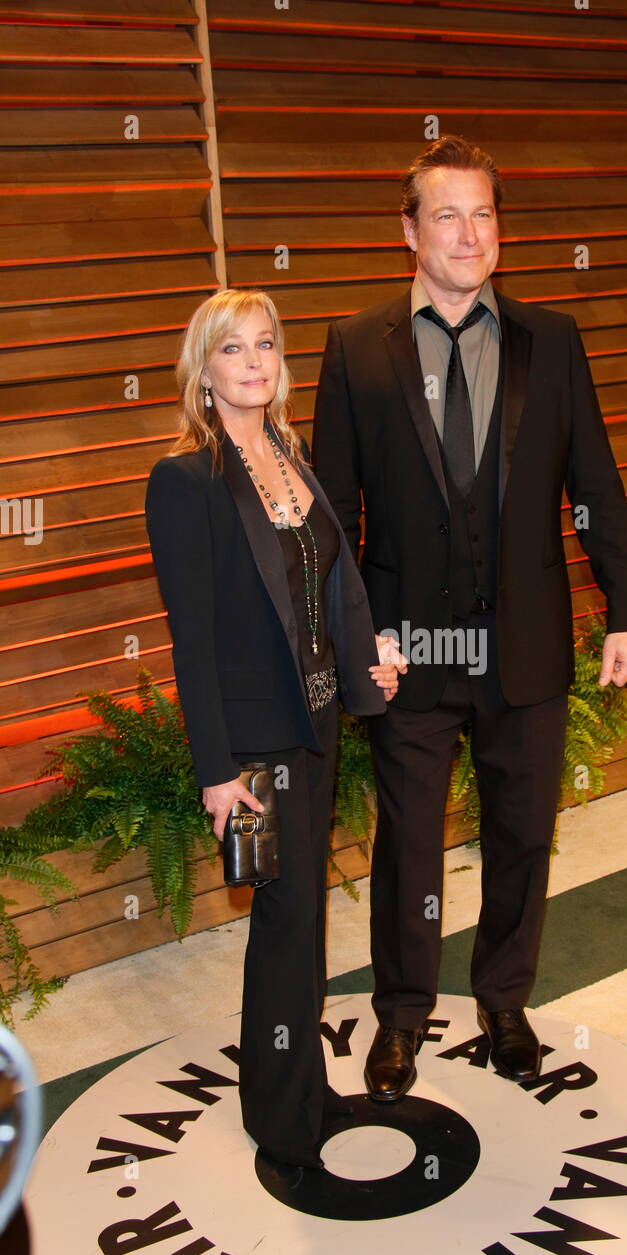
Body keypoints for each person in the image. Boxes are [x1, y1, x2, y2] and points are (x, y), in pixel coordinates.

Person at [313, 135, 627, 1102]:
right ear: (409, 232)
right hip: (407, 652)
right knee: (409, 842)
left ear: (501, 232)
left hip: (527, 644)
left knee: (520, 833)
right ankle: (402, 1013)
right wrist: (355, 635)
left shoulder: (555, 341)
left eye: (485, 214)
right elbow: (335, 512)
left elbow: (597, 485)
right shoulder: (356, 344)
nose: (469, 232)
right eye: (446, 214)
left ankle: (505, 998)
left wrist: (626, 609)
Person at [145, 289, 405, 1182]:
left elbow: (325, 587)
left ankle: (304, 1086)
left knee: (301, 919)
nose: (253, 363)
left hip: (321, 719)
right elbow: (193, 640)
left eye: (264, 346)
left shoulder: (289, 454)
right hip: (258, 743)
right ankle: (280, 1116)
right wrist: (217, 775)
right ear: (203, 368)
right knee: (284, 921)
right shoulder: (187, 479)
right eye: (232, 350)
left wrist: (373, 654)